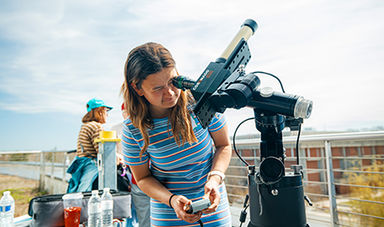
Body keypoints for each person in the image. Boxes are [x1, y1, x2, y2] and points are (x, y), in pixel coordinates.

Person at [121, 42, 232, 226]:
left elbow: (223, 145)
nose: (171, 93)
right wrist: (172, 200)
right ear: (137, 88)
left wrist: (215, 178)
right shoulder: (133, 129)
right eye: (157, 88)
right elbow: (142, 178)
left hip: (214, 206)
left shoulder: (200, 102)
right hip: (168, 213)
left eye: (173, 81)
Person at [67, 98, 112, 193]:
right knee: (85, 193)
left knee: (78, 190)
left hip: (80, 162)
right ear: (100, 111)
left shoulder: (85, 125)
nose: (107, 114)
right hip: (90, 164)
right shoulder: (96, 127)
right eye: (106, 111)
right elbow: (102, 151)